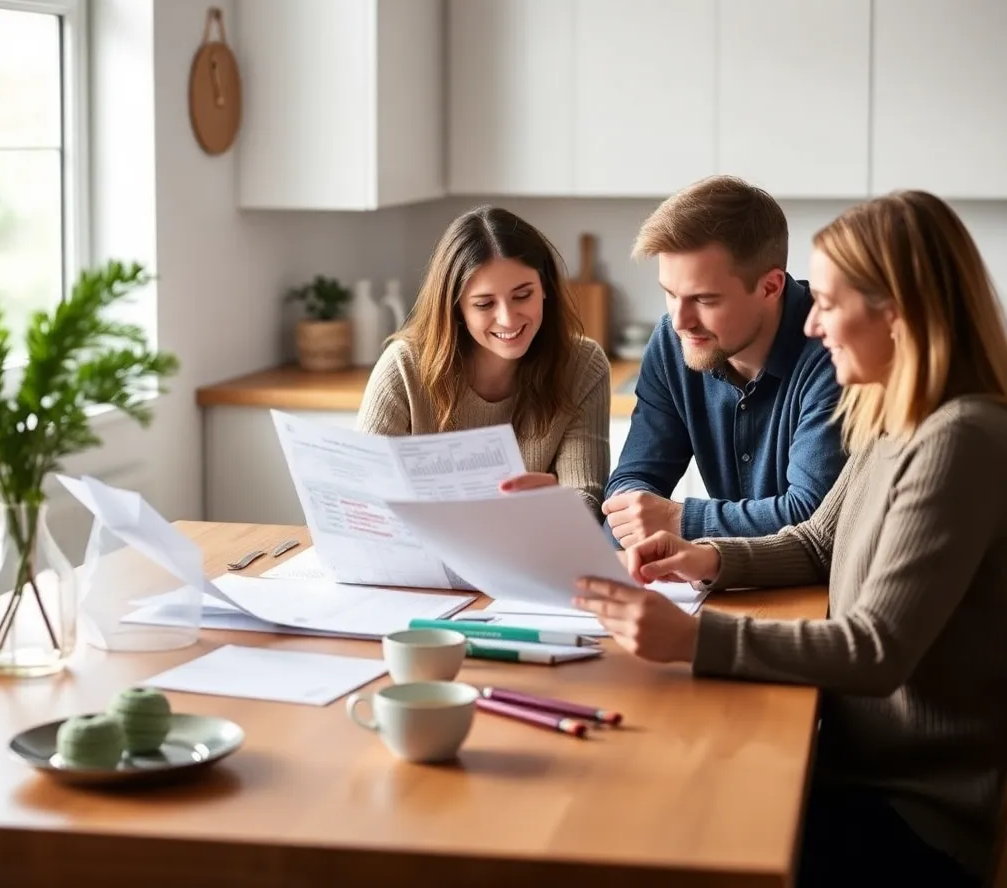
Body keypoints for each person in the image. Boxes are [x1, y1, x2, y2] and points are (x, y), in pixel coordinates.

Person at [575, 190, 1007, 887]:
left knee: (664, 831)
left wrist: (692, 639)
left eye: (828, 304)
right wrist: (705, 557)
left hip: (913, 812)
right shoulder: (895, 415)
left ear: (895, 313)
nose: (812, 325)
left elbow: (875, 649)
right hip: (848, 769)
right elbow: (816, 541)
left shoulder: (960, 439)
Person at [603, 174, 846, 546]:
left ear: (770, 287)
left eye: (704, 299)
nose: (680, 321)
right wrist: (633, 511)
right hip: (722, 572)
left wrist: (678, 519)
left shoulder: (837, 350)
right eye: (670, 293)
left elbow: (813, 515)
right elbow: (634, 479)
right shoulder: (672, 342)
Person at [357, 205, 610, 514]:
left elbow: (587, 497)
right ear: (457, 308)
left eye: (522, 296)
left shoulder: (583, 365)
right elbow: (364, 498)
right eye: (484, 304)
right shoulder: (404, 367)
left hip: (533, 540)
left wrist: (557, 501)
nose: (508, 319)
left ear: (545, 287)